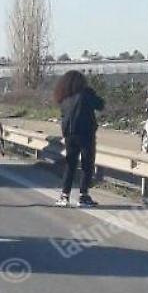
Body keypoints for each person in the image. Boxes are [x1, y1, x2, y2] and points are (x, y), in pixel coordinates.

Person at [53, 70, 104, 208]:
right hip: (86, 133)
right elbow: (101, 105)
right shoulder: (86, 94)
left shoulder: (64, 97)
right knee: (87, 165)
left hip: (70, 135)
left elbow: (64, 117)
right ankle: (83, 195)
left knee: (70, 165)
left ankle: (64, 195)